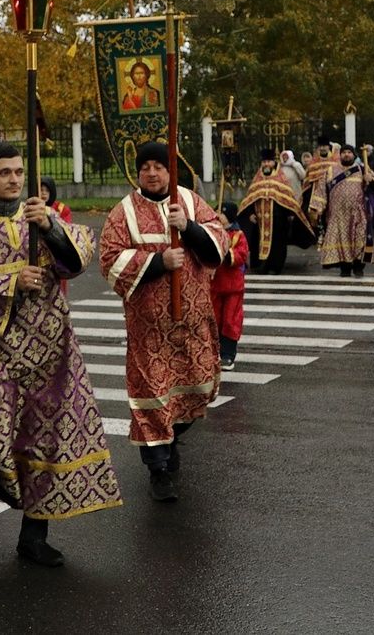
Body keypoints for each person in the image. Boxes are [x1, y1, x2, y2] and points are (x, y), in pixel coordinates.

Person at [0, 142, 122, 566]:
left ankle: (34, 536)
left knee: (46, 438)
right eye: (4, 172)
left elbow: (77, 260)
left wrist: (53, 229)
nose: (15, 180)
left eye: (19, 172)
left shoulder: (40, 217)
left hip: (51, 348)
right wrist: (11, 281)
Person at [99, 142, 226, 502]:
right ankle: (158, 469)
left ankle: (172, 438)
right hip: (150, 333)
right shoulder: (123, 212)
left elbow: (220, 238)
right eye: (145, 167)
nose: (152, 173)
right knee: (152, 400)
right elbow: (109, 260)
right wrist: (158, 263)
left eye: (159, 166)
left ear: (170, 171)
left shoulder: (188, 201)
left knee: (198, 390)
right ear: (137, 173)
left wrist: (189, 228)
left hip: (192, 328)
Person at [237, 148, 316, 275]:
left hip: (278, 219)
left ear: (274, 163)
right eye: (264, 162)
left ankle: (275, 267)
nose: (266, 164)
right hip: (260, 219)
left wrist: (290, 214)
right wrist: (251, 213)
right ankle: (260, 266)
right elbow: (250, 198)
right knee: (259, 242)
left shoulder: (280, 178)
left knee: (277, 245)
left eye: (269, 161)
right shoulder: (257, 179)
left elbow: (288, 197)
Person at [309, 143, 374, 277]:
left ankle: (358, 267)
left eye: (349, 152)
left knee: (358, 240)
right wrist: (317, 208)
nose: (346, 154)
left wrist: (371, 180)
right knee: (341, 242)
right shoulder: (331, 170)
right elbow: (322, 189)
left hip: (358, 213)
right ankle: (345, 268)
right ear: (340, 155)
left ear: (354, 155)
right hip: (337, 215)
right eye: (344, 152)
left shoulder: (362, 169)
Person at [211, 201, 248, 371]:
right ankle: (214, 352)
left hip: (233, 287)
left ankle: (227, 355)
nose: (219, 216)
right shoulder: (214, 232)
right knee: (215, 319)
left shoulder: (238, 235)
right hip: (216, 285)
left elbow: (240, 254)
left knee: (230, 320)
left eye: (223, 214)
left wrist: (226, 254)